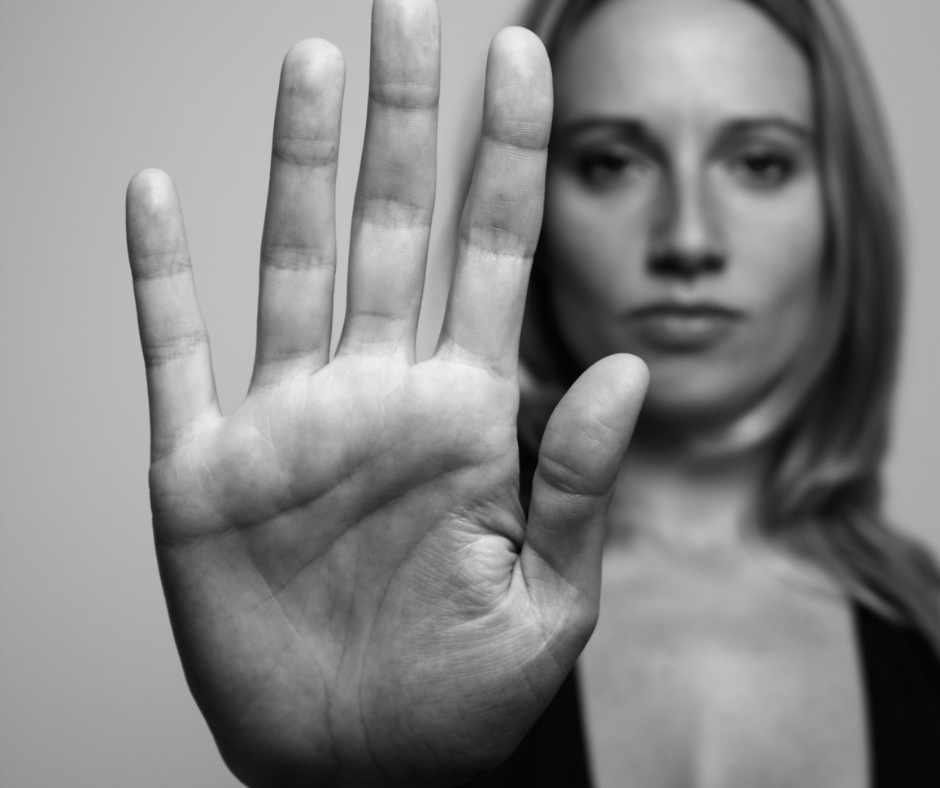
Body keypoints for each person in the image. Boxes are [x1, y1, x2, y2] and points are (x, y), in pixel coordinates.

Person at [124, 0, 940, 786]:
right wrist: (339, 782)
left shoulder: (926, 636)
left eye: (760, 162)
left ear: (844, 210)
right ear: (539, 208)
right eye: (612, 162)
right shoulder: (408, 583)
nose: (689, 239)